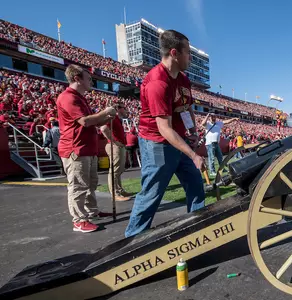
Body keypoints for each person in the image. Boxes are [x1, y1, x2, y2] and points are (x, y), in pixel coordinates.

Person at [124, 30, 205, 238]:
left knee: (195, 182)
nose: (191, 57)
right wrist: (193, 154)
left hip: (178, 139)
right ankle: (132, 240)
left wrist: (193, 132)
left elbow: (187, 108)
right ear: (174, 53)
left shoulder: (184, 80)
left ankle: (197, 229)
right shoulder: (157, 83)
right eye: (188, 52)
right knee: (153, 190)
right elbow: (164, 128)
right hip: (157, 144)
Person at [57, 64, 117, 233]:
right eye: (88, 78)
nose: (91, 81)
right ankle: (79, 220)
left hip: (86, 149)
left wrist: (106, 117)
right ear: (77, 78)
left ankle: (91, 212)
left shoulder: (80, 98)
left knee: (90, 184)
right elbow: (85, 121)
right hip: (75, 148)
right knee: (78, 185)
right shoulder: (68, 97)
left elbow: (94, 122)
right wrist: (105, 112)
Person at [100, 104, 132, 201]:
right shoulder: (112, 117)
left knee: (118, 170)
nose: (125, 109)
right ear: (118, 109)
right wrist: (114, 141)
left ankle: (120, 190)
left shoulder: (117, 118)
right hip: (115, 146)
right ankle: (115, 193)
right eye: (124, 108)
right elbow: (103, 128)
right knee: (115, 171)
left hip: (118, 146)